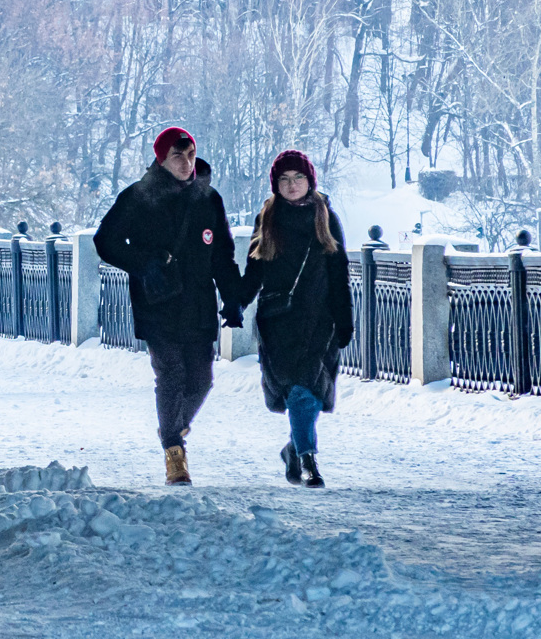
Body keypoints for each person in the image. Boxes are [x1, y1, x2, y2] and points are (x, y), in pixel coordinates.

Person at [93, 127, 240, 485]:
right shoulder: (139, 196)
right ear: (161, 158)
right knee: (170, 374)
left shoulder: (209, 199)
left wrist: (233, 297)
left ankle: (170, 429)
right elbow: (105, 240)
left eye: (190, 154)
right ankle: (174, 454)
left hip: (199, 304)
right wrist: (143, 264)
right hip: (157, 302)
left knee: (202, 381)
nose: (187, 163)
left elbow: (222, 254)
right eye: (178, 156)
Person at [240, 150, 352, 489]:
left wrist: (344, 319)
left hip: (320, 319)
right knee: (299, 390)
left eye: (298, 178)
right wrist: (236, 302)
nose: (292, 185)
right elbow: (255, 269)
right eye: (285, 179)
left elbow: (339, 272)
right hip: (279, 322)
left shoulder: (325, 217)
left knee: (312, 390)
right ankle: (308, 460)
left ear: (310, 182)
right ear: (276, 184)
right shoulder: (268, 218)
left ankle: (296, 448)